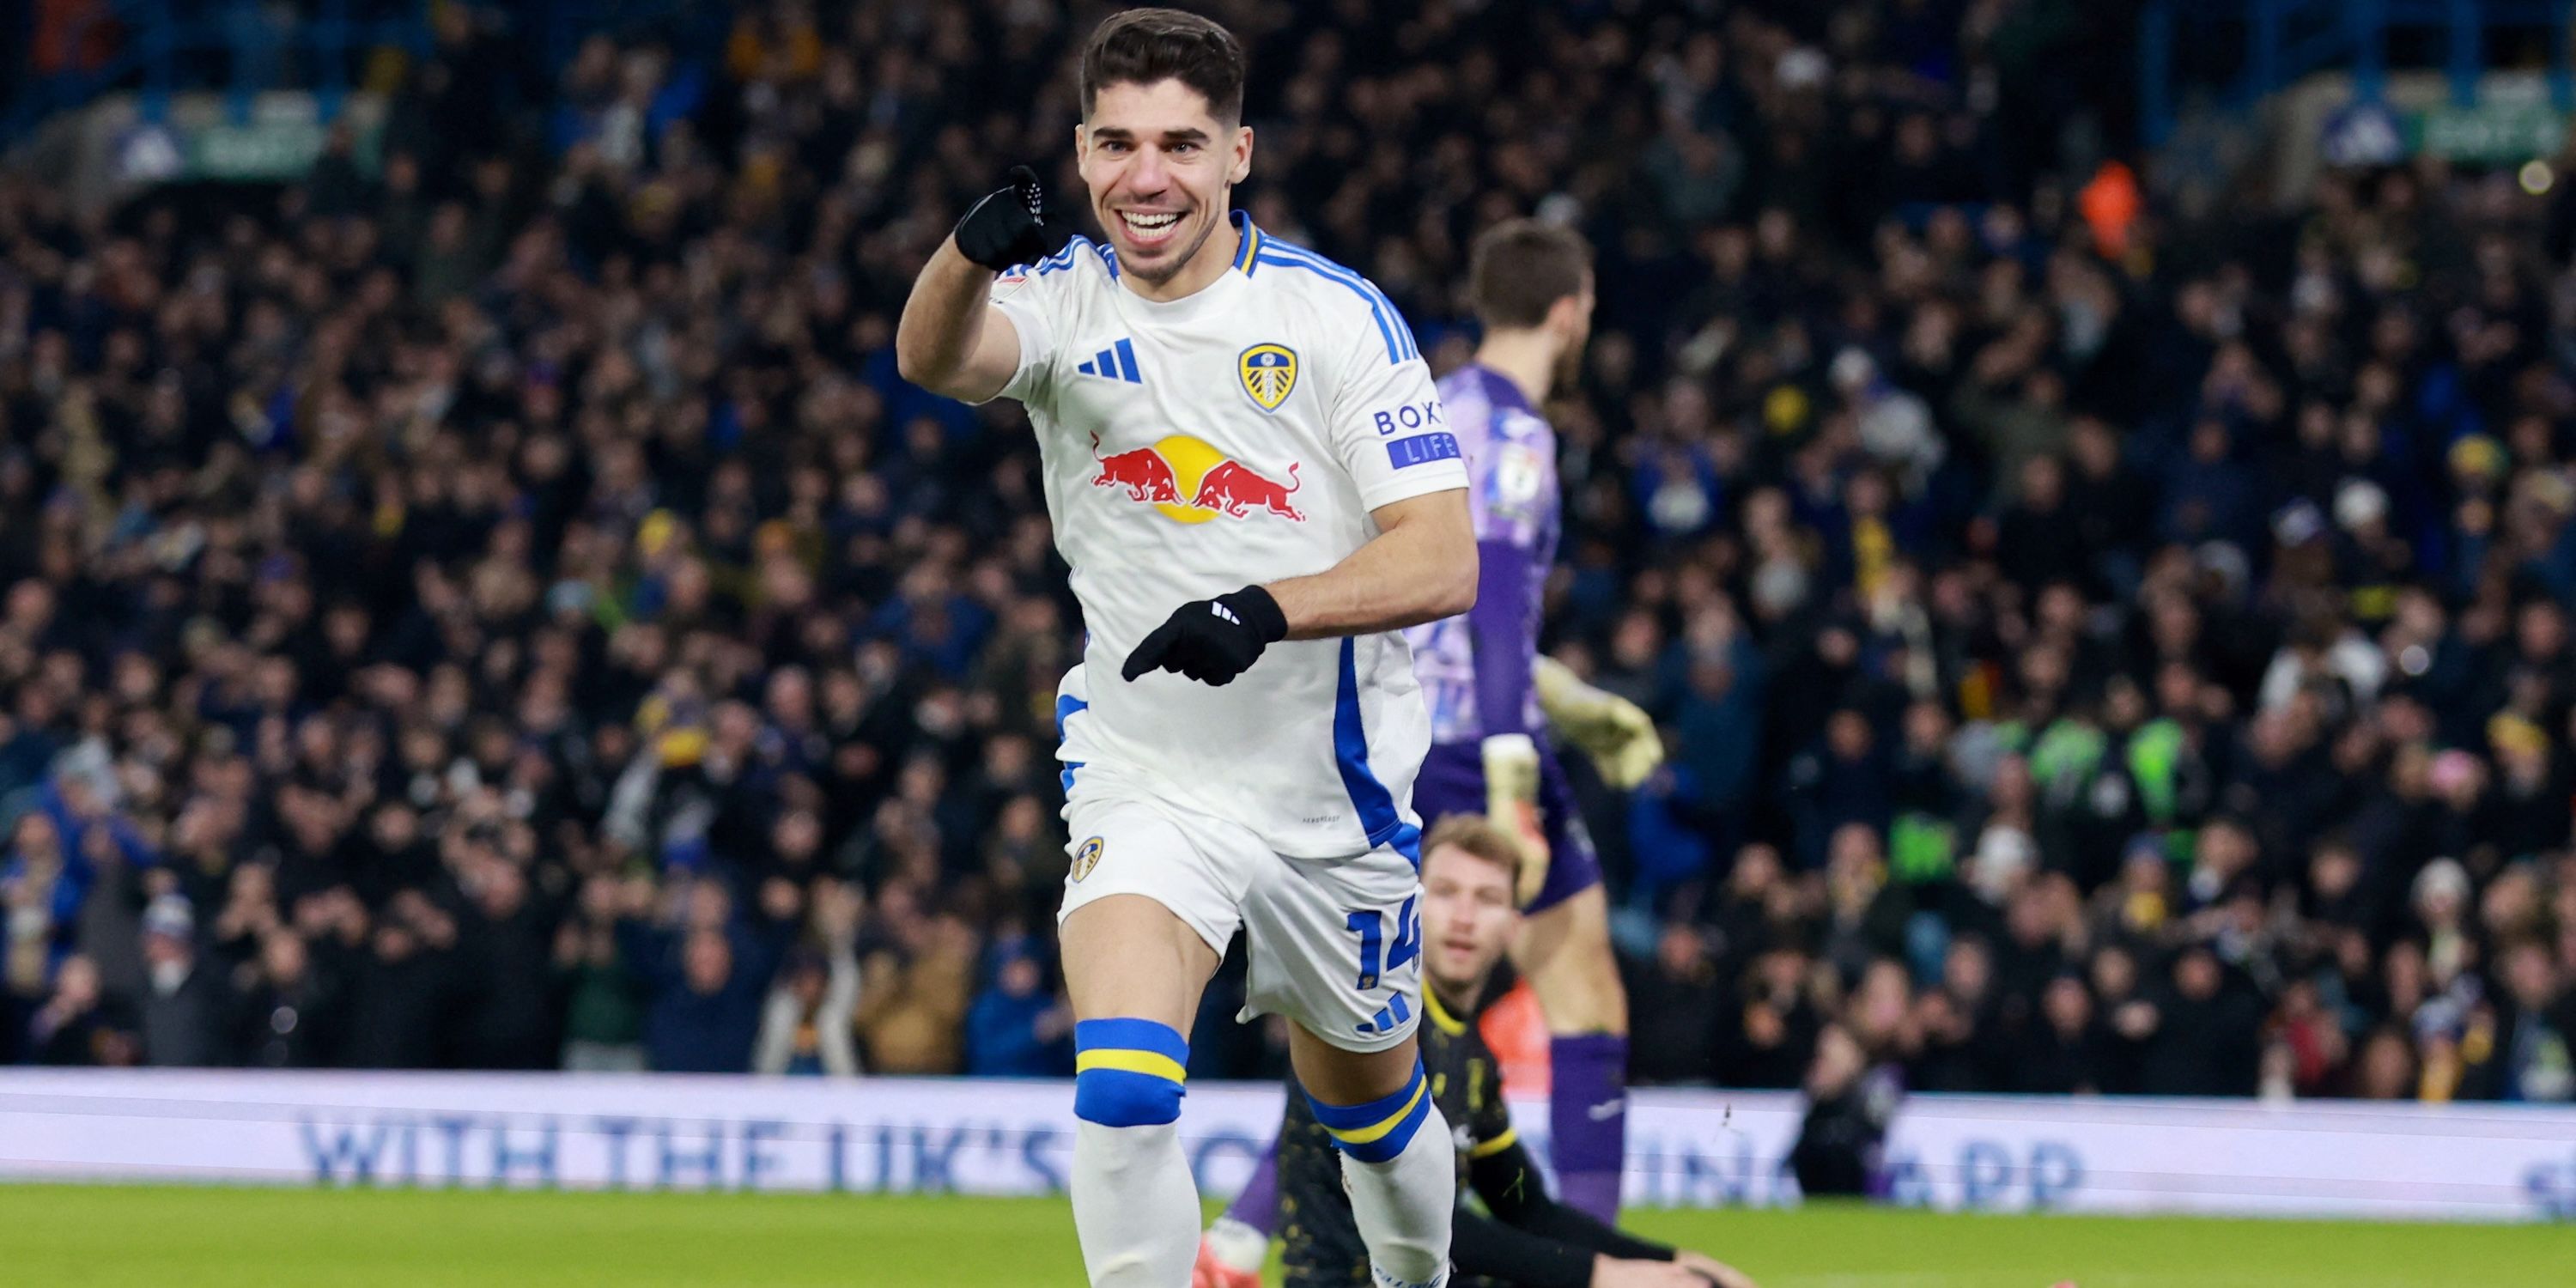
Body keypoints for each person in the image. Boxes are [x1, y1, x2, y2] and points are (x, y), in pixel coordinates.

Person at [896, 10, 1477, 1286]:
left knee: (1374, 1119)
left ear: (1237, 156)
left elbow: (1443, 559)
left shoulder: (1335, 321)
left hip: (1331, 804)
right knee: (1120, 1093)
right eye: (1115, 143)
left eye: (1179, 144)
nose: (1143, 176)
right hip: (1146, 773)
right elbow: (936, 358)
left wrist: (1265, 608)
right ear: (1082, 150)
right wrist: (963, 256)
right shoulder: (1057, 302)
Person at [1204, 220, 1663, 1285]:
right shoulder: (1516, 433)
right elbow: (1492, 595)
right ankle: (1578, 1254)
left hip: (1416, 722)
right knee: (1536, 999)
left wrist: (1570, 702)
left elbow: (1435, 607)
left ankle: (1236, 1231)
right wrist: (1513, 759)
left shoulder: (1432, 404)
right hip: (1469, 744)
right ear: (1571, 308)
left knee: (1385, 1004)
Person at [1261, 816, 1757, 1288]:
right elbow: (1420, 1228)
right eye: (1447, 892)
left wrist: (1673, 1262)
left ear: (1513, 929)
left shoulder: (1472, 1054)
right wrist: (1595, 1275)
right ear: (1411, 905)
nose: (1464, 916)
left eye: (1487, 898)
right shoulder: (1374, 1027)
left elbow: (1525, 1208)